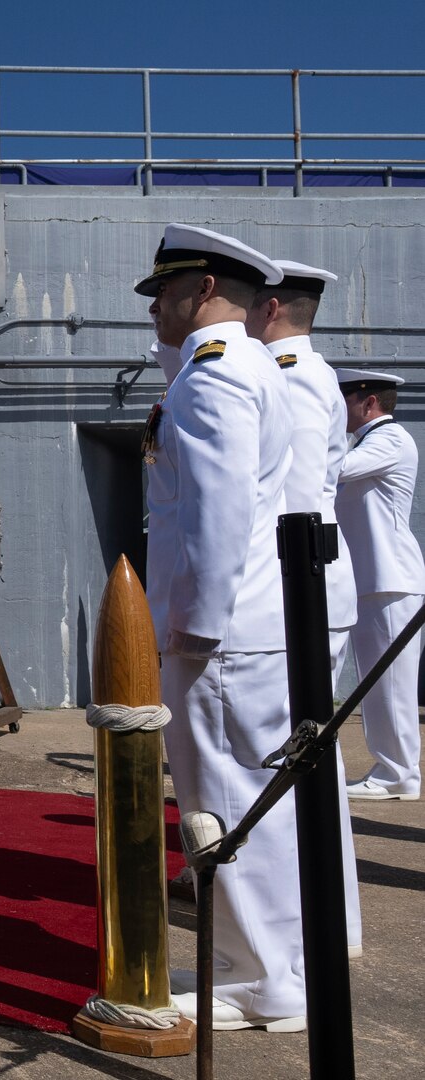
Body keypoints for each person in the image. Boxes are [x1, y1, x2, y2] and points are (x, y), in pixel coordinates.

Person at [136, 224, 305, 1032]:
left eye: (164, 293)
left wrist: (193, 629)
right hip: (250, 626)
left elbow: (217, 511)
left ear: (200, 290)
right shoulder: (244, 366)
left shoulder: (212, 377)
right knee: (248, 803)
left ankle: (257, 983)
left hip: (221, 634)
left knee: (226, 805)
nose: (154, 311)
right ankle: (262, 970)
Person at [246, 259, 363, 955]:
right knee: (316, 759)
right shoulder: (313, 373)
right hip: (318, 576)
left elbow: (288, 504)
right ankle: (331, 917)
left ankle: (294, 935)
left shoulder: (287, 378)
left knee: (289, 757)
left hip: (299, 580)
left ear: (272, 308)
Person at [331, 367, 424, 802]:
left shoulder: (390, 439)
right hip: (372, 579)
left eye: (342, 400)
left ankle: (398, 775)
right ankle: (391, 769)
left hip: (391, 580)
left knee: (390, 684)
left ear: (368, 402)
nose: (337, 409)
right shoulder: (369, 441)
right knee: (377, 681)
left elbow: (340, 468)